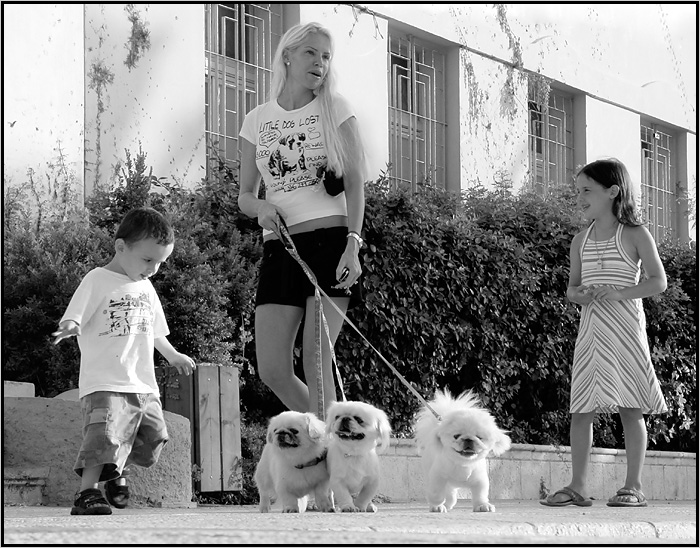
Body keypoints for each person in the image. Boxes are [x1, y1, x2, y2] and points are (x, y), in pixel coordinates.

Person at [237, 22, 366, 417]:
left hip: (330, 243)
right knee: (272, 367)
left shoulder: (336, 110)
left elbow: (357, 183)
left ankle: (332, 453)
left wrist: (354, 243)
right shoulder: (256, 120)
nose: (320, 63)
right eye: (311, 53)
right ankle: (332, 435)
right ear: (287, 55)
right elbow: (244, 196)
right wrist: (261, 208)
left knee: (315, 359)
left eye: (326, 56)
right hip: (280, 247)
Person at [541, 158, 668, 508]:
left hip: (626, 330)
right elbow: (572, 288)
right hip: (592, 332)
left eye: (586, 190)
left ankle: (634, 487)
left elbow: (659, 281)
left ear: (612, 191)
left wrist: (618, 293)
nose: (579, 197)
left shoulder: (635, 234)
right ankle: (578, 486)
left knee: (631, 407)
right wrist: (578, 295)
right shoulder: (579, 241)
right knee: (581, 408)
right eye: (577, 190)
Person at [52, 207, 196, 515]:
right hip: (104, 381)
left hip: (143, 385)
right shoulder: (97, 279)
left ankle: (117, 472)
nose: (154, 269)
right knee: (102, 437)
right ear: (121, 247)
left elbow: (155, 331)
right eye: (147, 260)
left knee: (154, 437)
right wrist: (70, 326)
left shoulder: (146, 287)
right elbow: (76, 315)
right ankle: (86, 494)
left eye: (160, 262)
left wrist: (172, 355)